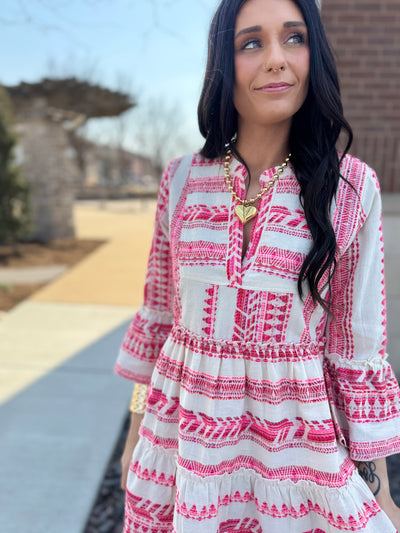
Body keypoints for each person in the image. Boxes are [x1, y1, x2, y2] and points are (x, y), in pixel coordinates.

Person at [115, 0, 400, 531]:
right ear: (224, 64)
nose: (276, 58)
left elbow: (356, 351)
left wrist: (377, 486)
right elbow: (156, 325)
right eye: (251, 43)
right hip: (182, 449)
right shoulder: (180, 181)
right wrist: (136, 438)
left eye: (295, 38)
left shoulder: (351, 187)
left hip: (296, 461)